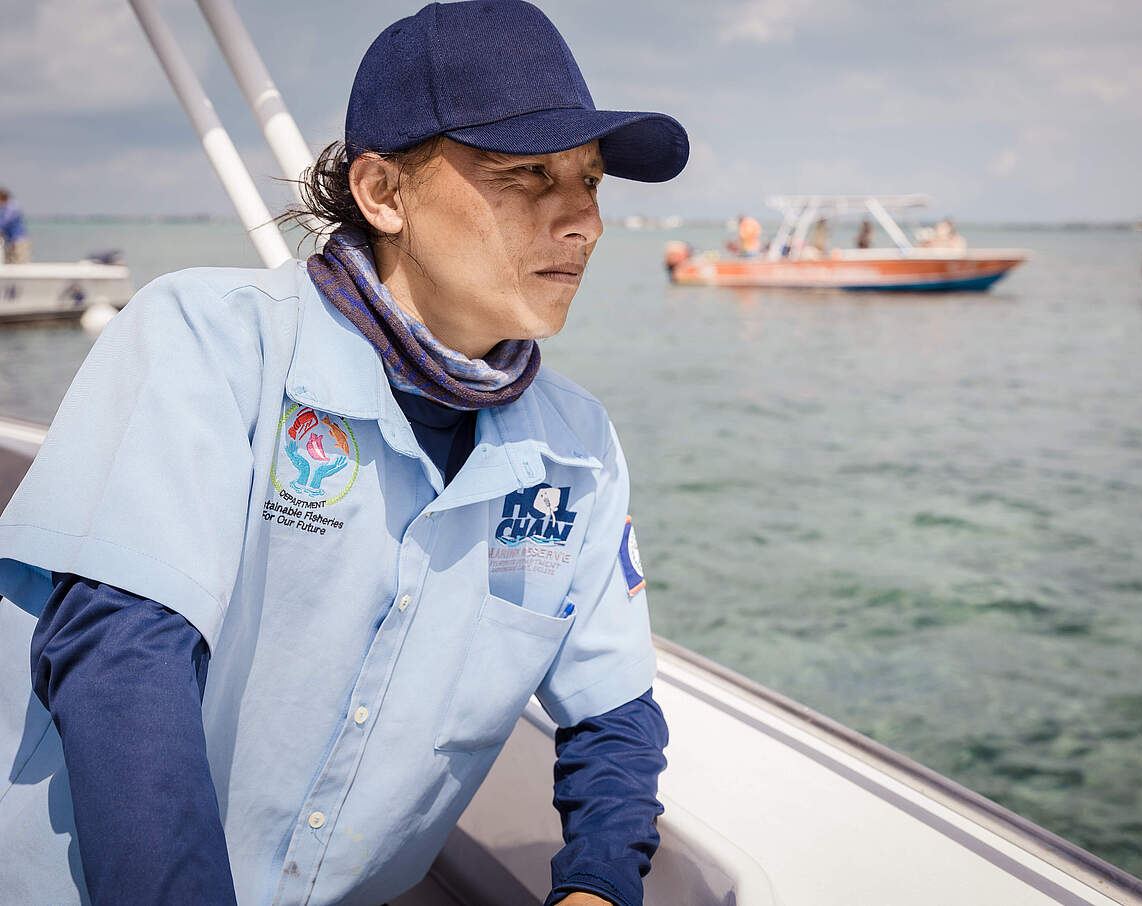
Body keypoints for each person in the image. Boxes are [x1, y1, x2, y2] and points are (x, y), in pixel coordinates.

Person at [0, 3, 689, 905]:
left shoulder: (578, 449)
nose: (584, 223)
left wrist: (597, 884)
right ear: (383, 193)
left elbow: (614, 714)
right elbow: (123, 659)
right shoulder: (209, 339)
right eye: (527, 174)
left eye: (590, 181)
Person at [0, 187, 32, 263]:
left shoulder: (12, 206)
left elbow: (5, 222)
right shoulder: (3, 208)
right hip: (9, 240)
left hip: (19, 240)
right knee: (9, 262)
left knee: (21, 263)